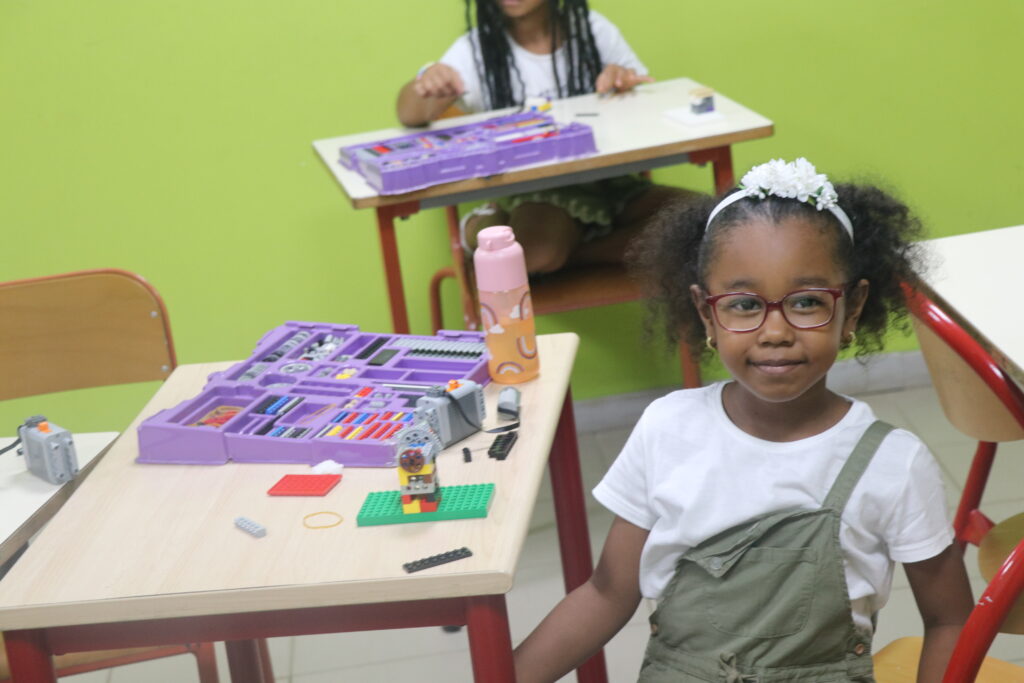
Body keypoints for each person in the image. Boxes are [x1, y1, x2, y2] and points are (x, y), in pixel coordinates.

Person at [512, 158, 974, 682]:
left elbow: (950, 621)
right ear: (706, 313)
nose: (775, 332)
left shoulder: (894, 463)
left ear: (852, 308)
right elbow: (606, 593)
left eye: (807, 301)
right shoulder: (668, 429)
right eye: (744, 305)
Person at [395, 0, 696, 275]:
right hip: (535, 191)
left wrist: (623, 85)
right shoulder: (477, 48)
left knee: (696, 220)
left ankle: (571, 251)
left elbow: (643, 103)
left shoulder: (592, 29)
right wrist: (427, 83)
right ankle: (489, 222)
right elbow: (409, 114)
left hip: (607, 185)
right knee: (537, 253)